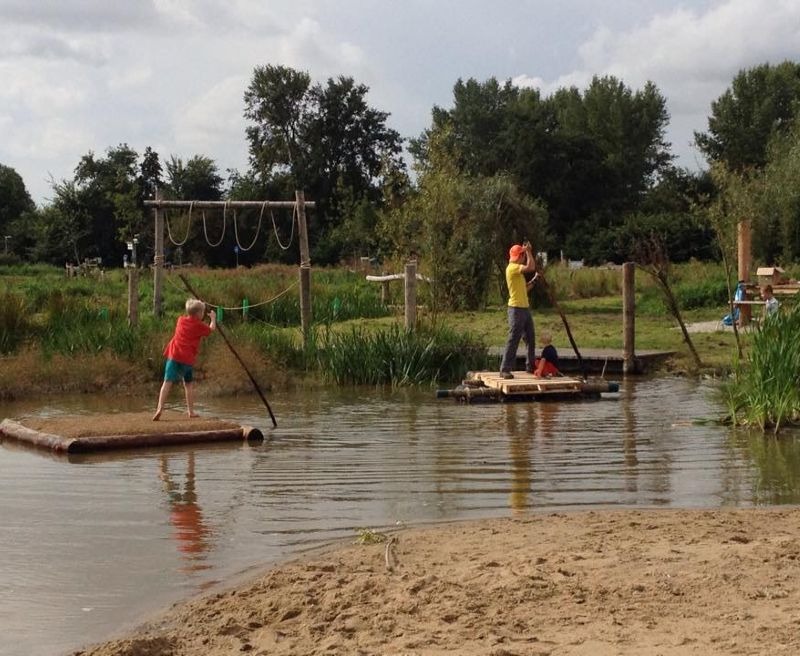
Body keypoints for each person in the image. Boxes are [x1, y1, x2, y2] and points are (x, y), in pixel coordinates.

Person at [153, 299, 216, 421]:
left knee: (167, 382)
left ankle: (159, 408)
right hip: (187, 359)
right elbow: (211, 329)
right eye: (202, 312)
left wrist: (199, 305)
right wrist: (213, 318)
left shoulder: (180, 320)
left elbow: (193, 315)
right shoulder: (199, 326)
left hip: (174, 355)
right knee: (188, 384)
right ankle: (191, 411)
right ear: (199, 314)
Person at [499, 242, 537, 379]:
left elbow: (524, 289)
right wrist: (529, 251)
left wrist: (534, 281)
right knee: (513, 339)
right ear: (520, 256)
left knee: (530, 338)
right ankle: (505, 369)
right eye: (522, 255)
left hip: (524, 308)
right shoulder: (513, 268)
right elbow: (531, 267)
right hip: (515, 309)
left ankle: (530, 366)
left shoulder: (517, 271)